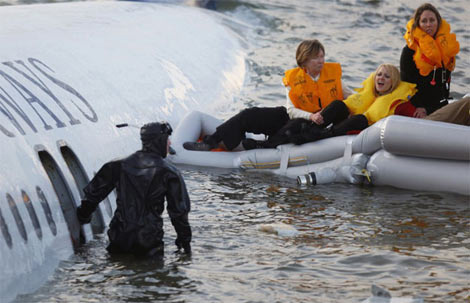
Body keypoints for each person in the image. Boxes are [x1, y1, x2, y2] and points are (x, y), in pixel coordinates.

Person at [183, 39, 352, 151]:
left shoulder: (333, 77)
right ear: (304, 60)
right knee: (249, 114)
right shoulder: (294, 79)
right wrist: (311, 115)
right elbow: (291, 110)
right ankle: (211, 142)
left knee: (294, 127)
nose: (321, 61)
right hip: (296, 116)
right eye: (316, 58)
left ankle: (261, 145)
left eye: (322, 56)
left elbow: (352, 97)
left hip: (311, 126)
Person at [76, 122, 192, 257]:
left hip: (119, 236)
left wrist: (83, 215)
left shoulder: (116, 165)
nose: (169, 143)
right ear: (160, 141)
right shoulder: (169, 172)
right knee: (150, 273)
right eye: (167, 139)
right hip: (149, 239)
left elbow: (93, 196)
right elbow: (179, 212)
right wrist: (184, 242)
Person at [286, 64, 417, 144]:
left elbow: (416, 119)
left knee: (360, 119)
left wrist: (422, 111)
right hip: (344, 125)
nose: (381, 78)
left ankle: (319, 135)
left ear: (393, 82)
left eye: (387, 77)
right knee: (338, 104)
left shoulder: (399, 103)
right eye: (379, 75)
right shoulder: (370, 95)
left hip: (365, 133)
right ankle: (309, 128)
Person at [398, 3, 460, 118]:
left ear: (438, 23)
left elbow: (444, 89)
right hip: (418, 109)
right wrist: (421, 108)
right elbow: (406, 85)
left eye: (432, 20)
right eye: (424, 21)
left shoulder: (445, 52)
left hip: (438, 107)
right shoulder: (408, 52)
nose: (428, 25)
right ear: (418, 24)